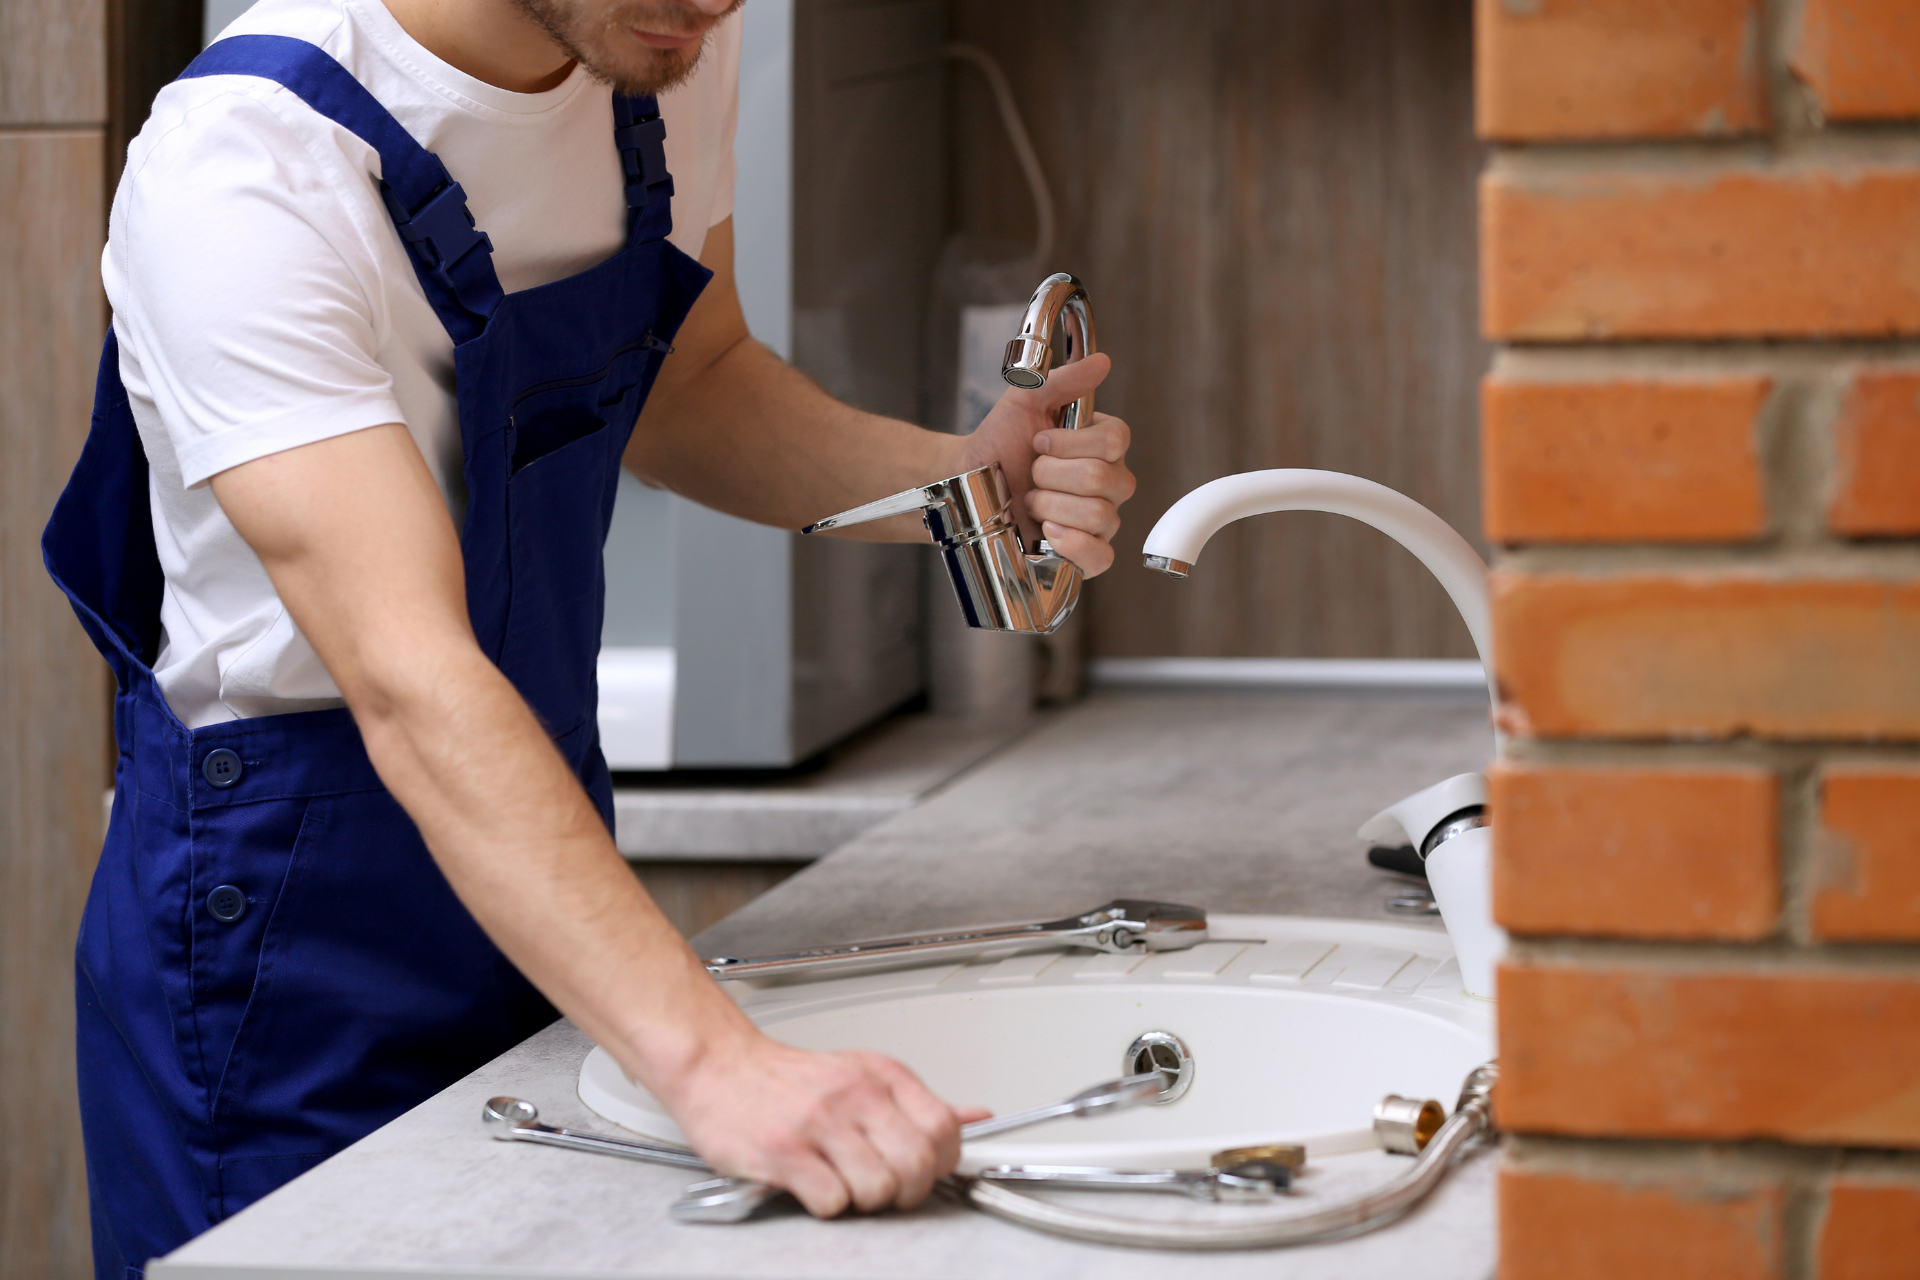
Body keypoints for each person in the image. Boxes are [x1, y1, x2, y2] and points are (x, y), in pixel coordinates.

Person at [43, 0, 1135, 1274]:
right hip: (285, 929)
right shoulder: (245, 167)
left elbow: (697, 382)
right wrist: (718, 1064)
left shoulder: (658, 40)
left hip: (537, 832)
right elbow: (407, 673)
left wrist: (963, 486)